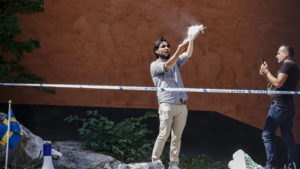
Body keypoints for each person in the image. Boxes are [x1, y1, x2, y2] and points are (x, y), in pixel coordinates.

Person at [150, 36, 197, 169]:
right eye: (163, 46)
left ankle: (174, 164)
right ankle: (155, 161)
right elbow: (167, 66)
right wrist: (179, 49)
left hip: (182, 105)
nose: (166, 48)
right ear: (156, 51)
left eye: (167, 46)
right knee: (164, 135)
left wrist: (192, 38)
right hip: (167, 105)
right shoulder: (155, 65)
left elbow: (188, 54)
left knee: (177, 137)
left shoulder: (175, 62)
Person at [260, 44, 299, 169]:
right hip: (287, 107)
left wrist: (267, 71)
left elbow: (277, 82)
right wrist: (266, 75)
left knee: (267, 134)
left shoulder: (288, 65)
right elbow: (274, 87)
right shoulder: (293, 67)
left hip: (280, 107)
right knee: (287, 137)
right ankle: (292, 166)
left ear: (286, 53)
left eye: (279, 53)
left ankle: (271, 165)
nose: (276, 55)